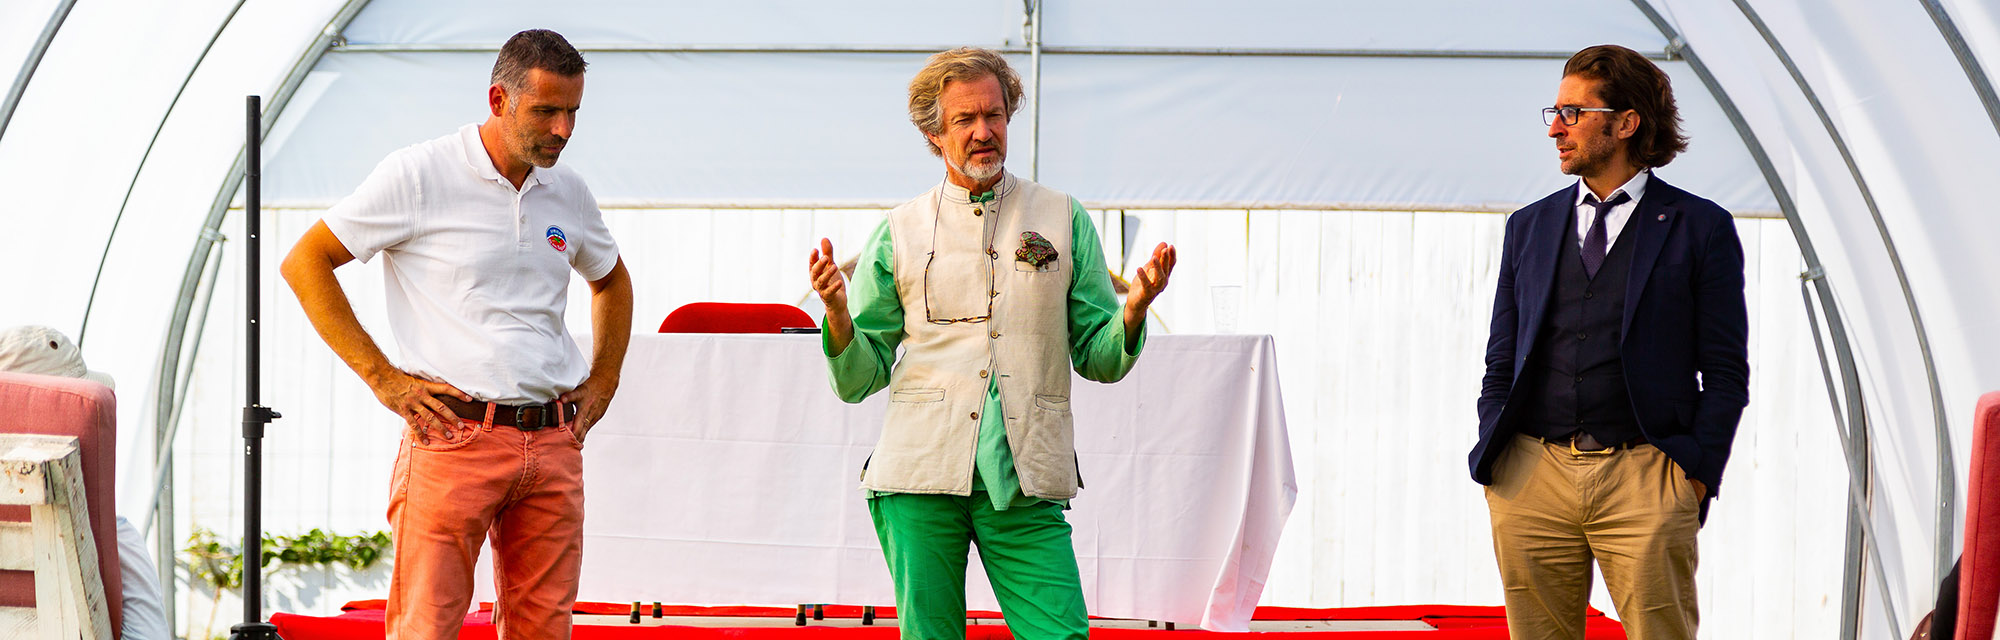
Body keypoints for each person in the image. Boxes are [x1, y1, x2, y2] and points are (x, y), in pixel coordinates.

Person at [806, 47, 1175, 640]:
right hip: (919, 476)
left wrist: (1132, 311)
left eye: (995, 115)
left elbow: (1098, 357)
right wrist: (839, 316)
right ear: (934, 134)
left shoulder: (1062, 218)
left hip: (1026, 477)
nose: (984, 131)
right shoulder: (899, 230)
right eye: (965, 119)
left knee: (1060, 633)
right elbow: (859, 378)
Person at [279, 29, 632, 640]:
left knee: (544, 631)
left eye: (573, 111)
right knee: (428, 627)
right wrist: (384, 379)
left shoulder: (568, 191)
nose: (564, 129)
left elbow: (612, 281)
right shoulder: (420, 174)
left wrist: (604, 379)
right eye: (546, 111)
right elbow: (305, 262)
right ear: (498, 100)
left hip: (552, 441)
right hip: (453, 434)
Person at [1469, 44, 1750, 639]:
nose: (1555, 128)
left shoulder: (1700, 227)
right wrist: (1497, 454)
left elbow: (1725, 372)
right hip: (1531, 476)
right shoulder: (1529, 226)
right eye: (1555, 112)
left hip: (1646, 476)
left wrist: (1693, 476)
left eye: (1573, 113)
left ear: (1626, 123)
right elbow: (1502, 357)